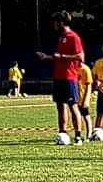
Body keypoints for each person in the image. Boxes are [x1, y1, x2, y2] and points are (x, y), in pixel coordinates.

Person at [35, 11, 87, 145]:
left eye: (55, 22)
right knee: (60, 106)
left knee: (73, 106)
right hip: (58, 77)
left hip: (69, 78)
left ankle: (78, 136)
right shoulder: (61, 37)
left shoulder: (73, 37)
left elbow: (80, 57)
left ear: (61, 23)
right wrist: (47, 57)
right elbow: (58, 57)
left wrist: (63, 56)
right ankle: (62, 133)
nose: (54, 25)